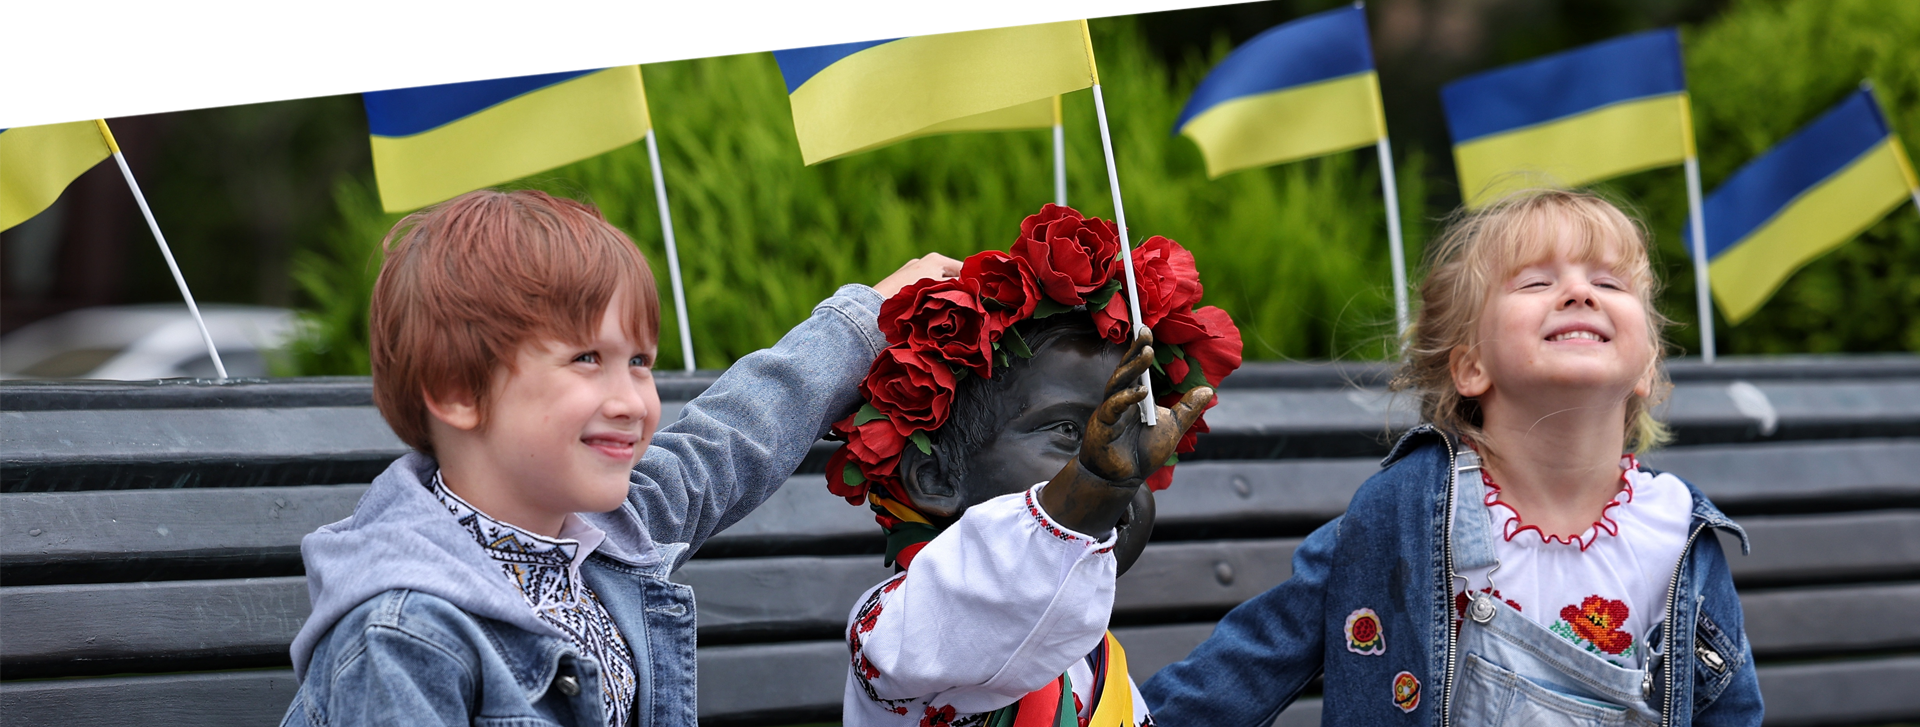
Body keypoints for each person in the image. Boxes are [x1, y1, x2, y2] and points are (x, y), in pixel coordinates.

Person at [280, 188, 958, 727]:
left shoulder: (598, 533)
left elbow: (729, 442)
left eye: (638, 362)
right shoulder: (402, 640)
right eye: (587, 360)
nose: (633, 400)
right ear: (458, 392)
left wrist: (872, 315)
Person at [1143, 189, 1763, 726]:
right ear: (1470, 365)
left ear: (1647, 368)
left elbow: (1729, 709)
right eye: (1537, 282)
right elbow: (1253, 662)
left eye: (1608, 282)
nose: (1579, 292)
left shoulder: (1679, 534)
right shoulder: (1404, 515)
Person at [829, 205, 1243, 726]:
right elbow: (992, 600)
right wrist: (1087, 489)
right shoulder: (897, 629)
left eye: (1128, 433)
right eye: (1071, 432)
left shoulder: (1091, 660)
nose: (1119, 462)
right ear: (935, 477)